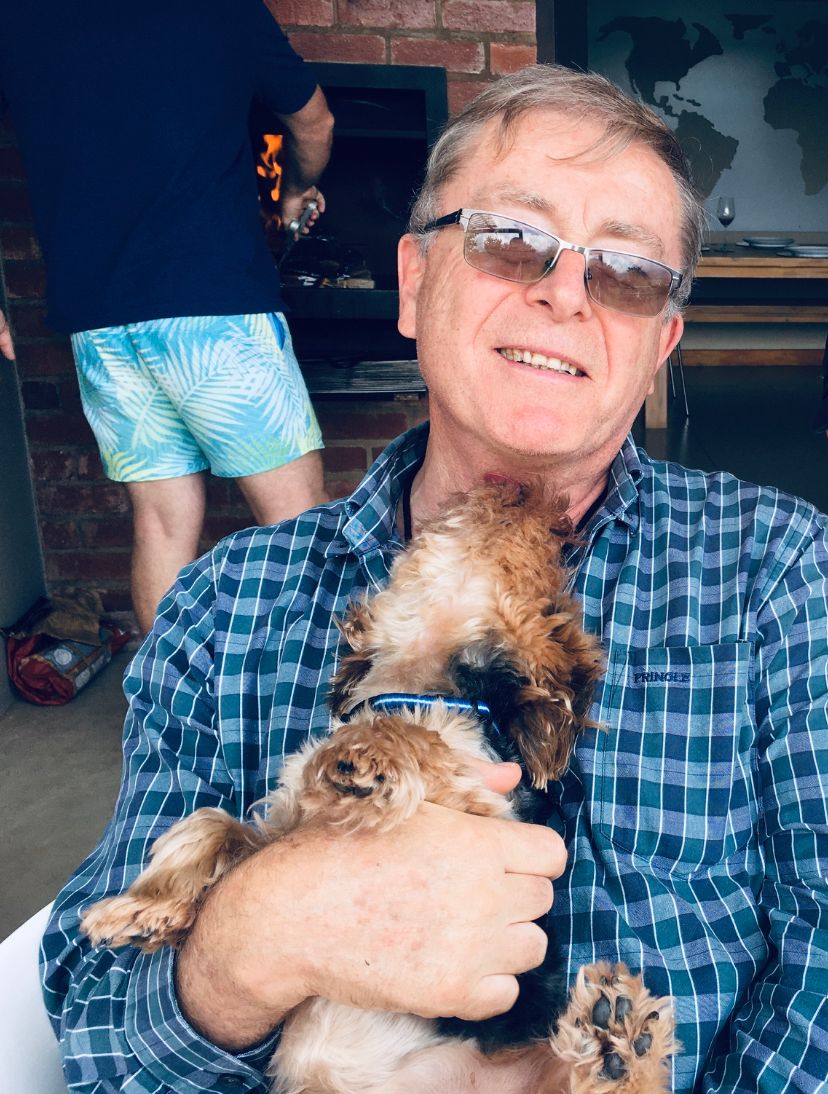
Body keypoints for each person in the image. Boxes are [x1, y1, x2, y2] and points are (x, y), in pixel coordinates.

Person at [42, 64, 828, 1093]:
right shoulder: (225, 606)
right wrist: (257, 937)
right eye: (511, 238)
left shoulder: (781, 574)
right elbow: (97, 1025)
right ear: (414, 283)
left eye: (627, 271)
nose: (564, 292)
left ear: (660, 347)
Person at [0, 0, 334, 634]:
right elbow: (314, 121)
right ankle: (314, 694)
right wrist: (293, 188)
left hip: (100, 321)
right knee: (301, 523)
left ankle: (164, 696)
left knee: (160, 523)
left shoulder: (17, 15)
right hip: (216, 310)